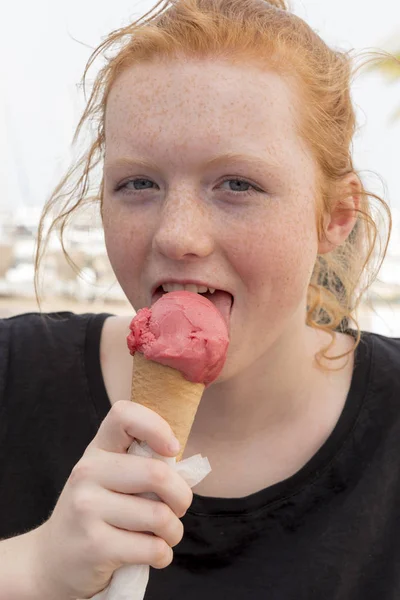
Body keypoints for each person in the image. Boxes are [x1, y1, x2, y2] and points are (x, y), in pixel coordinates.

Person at [0, 0, 398, 598]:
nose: (176, 236)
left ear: (336, 216)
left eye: (238, 184)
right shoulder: (12, 375)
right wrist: (31, 569)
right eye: (139, 183)